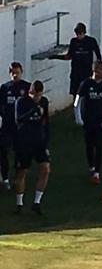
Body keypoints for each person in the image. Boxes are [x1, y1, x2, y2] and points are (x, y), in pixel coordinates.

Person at [74, 61, 102, 184]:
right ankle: (91, 167)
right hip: (89, 119)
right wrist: (78, 118)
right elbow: (77, 102)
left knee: (100, 145)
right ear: (95, 70)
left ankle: (97, 172)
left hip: (101, 120)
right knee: (89, 145)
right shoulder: (86, 84)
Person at [14, 80, 50, 215]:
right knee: (21, 173)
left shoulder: (44, 102)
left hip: (39, 142)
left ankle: (37, 202)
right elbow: (18, 119)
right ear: (30, 92)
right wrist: (33, 110)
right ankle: (19, 203)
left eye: (39, 95)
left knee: (45, 169)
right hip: (24, 142)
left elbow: (46, 122)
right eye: (35, 95)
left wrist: (46, 140)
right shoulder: (21, 102)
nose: (37, 98)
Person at [49, 23, 102, 96]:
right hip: (76, 73)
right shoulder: (74, 42)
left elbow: (98, 56)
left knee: (87, 93)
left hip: (87, 72)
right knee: (76, 94)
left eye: (80, 33)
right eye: (77, 33)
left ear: (84, 32)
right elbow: (69, 56)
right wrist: (56, 56)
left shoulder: (91, 41)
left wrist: (97, 69)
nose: (79, 35)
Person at [0, 62, 30, 190]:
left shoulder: (26, 87)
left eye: (17, 72)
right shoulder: (5, 88)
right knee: (3, 151)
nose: (15, 75)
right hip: (7, 126)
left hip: (21, 128)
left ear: (21, 72)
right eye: (13, 72)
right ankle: (5, 178)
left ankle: (18, 178)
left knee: (20, 153)